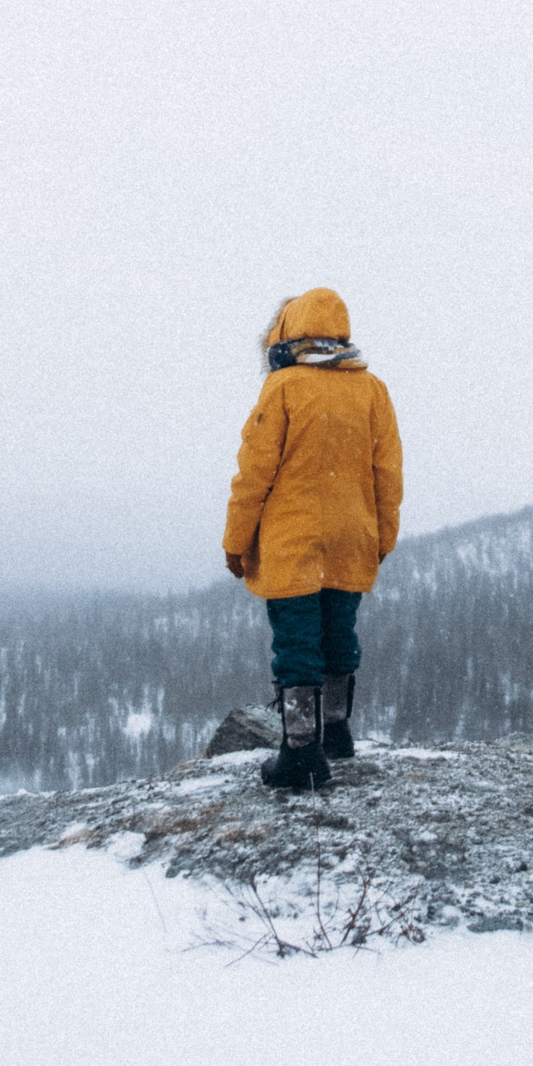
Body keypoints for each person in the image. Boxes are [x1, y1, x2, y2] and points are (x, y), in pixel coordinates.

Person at [222, 287, 404, 790]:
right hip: (352, 536)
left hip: (293, 539)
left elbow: (253, 476)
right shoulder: (373, 390)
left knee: (298, 640)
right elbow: (387, 474)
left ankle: (302, 752)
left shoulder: (283, 388)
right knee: (339, 632)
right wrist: (382, 538)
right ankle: (337, 732)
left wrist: (236, 542)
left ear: (287, 334)